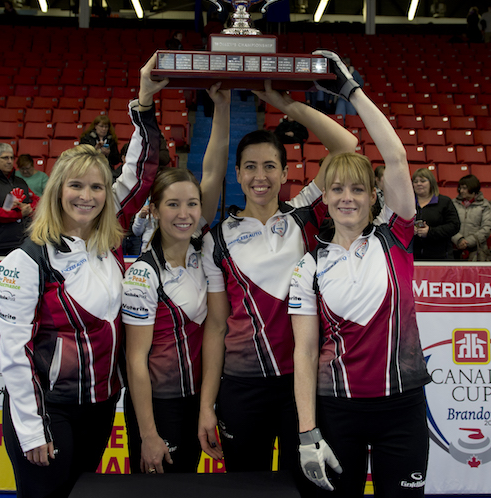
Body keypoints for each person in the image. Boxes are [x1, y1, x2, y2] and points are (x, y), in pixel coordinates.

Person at [0, 55, 166, 498]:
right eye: (75, 186)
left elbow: (143, 171)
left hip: (100, 408)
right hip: (49, 412)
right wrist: (32, 432)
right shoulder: (26, 261)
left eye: (96, 187)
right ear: (56, 190)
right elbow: (15, 355)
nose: (87, 196)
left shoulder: (107, 239)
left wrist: (143, 104)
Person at [198, 66, 357, 487]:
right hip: (241, 388)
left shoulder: (303, 214)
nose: (260, 176)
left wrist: (288, 106)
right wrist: (207, 403)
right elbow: (216, 326)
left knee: (303, 485)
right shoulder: (218, 238)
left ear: (286, 174)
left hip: (300, 385)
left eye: (270, 166)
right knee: (245, 486)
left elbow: (348, 145)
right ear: (238, 174)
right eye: (250, 167)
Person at [288, 50, 431, 497]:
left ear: (373, 196)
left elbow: (397, 157)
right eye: (337, 189)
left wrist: (352, 92)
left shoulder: (395, 238)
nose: (347, 198)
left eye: (357, 189)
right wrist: (308, 431)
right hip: (336, 411)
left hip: (402, 408)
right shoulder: (307, 266)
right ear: (324, 198)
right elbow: (305, 353)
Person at [122, 84, 230, 474]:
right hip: (159, 406)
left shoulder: (203, 252)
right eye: (172, 204)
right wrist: (148, 434)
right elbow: (135, 360)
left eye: (192, 204)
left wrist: (221, 105)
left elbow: (215, 168)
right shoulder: (142, 275)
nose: (184, 214)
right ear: (154, 210)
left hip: (199, 398)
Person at [412, 168, 460, 260]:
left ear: (431, 183)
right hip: (414, 257)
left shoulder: (444, 202)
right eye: (415, 181)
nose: (418, 184)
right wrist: (409, 230)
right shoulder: (407, 203)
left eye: (422, 181)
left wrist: (430, 232)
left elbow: (454, 226)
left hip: (440, 257)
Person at [450, 175, 491, 261]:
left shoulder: (484, 205)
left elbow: (487, 227)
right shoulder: (453, 203)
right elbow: (448, 224)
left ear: (473, 188)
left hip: (477, 250)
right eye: (460, 188)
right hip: (454, 248)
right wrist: (459, 239)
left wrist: (468, 241)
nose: (461, 191)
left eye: (465, 188)